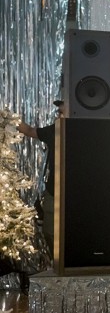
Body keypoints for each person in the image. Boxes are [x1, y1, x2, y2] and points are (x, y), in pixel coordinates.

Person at [17, 99, 65, 257]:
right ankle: (56, 262)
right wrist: (10, 119)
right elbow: (29, 131)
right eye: (58, 112)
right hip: (54, 191)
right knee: (50, 231)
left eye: (61, 112)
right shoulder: (54, 130)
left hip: (77, 193)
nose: (58, 115)